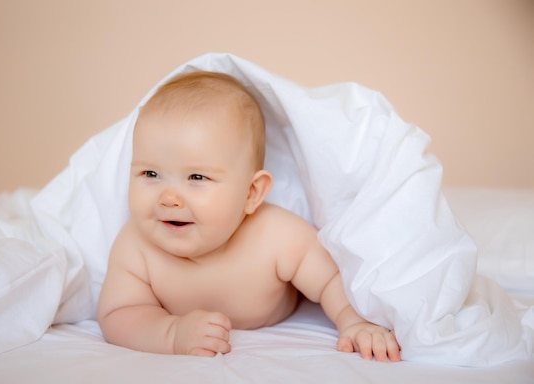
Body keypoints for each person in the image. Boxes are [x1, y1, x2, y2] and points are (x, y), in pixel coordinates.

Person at [97, 71, 401, 362]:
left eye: (197, 177)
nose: (169, 198)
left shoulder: (276, 236)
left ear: (251, 193)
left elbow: (332, 280)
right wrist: (172, 334)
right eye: (150, 173)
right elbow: (120, 314)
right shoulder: (135, 246)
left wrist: (354, 322)